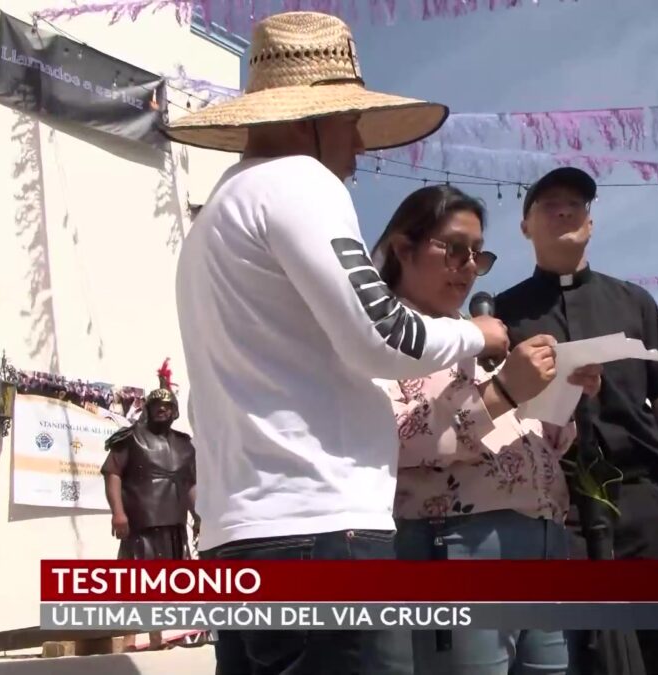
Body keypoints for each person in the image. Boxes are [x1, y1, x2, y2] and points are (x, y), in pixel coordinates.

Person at [165, 12, 509, 674]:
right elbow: (380, 334)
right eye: (349, 122)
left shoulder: (216, 219)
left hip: (239, 541)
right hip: (319, 533)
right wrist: (476, 333)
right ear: (309, 120)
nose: (359, 147)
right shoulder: (299, 182)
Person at [494, 167, 658, 675]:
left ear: (591, 224)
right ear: (525, 226)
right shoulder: (502, 314)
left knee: (656, 649)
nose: (565, 210)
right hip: (554, 509)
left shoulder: (634, 301)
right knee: (574, 653)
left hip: (642, 504)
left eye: (576, 203)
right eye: (548, 203)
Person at [370, 184, 602, 675]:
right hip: (454, 543)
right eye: (455, 249)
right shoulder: (378, 335)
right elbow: (394, 439)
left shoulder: (480, 337)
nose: (469, 266)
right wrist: (505, 394)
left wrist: (564, 395)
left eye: (479, 255)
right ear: (402, 248)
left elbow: (539, 443)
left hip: (542, 540)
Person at [101, 359, 197, 651]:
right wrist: (118, 513)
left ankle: (156, 637)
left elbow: (189, 483)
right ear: (149, 409)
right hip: (140, 523)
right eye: (157, 406)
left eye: (168, 406)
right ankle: (129, 639)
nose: (163, 410)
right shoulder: (130, 439)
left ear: (174, 411)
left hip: (173, 523)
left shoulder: (184, 444)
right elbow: (112, 473)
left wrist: (199, 515)